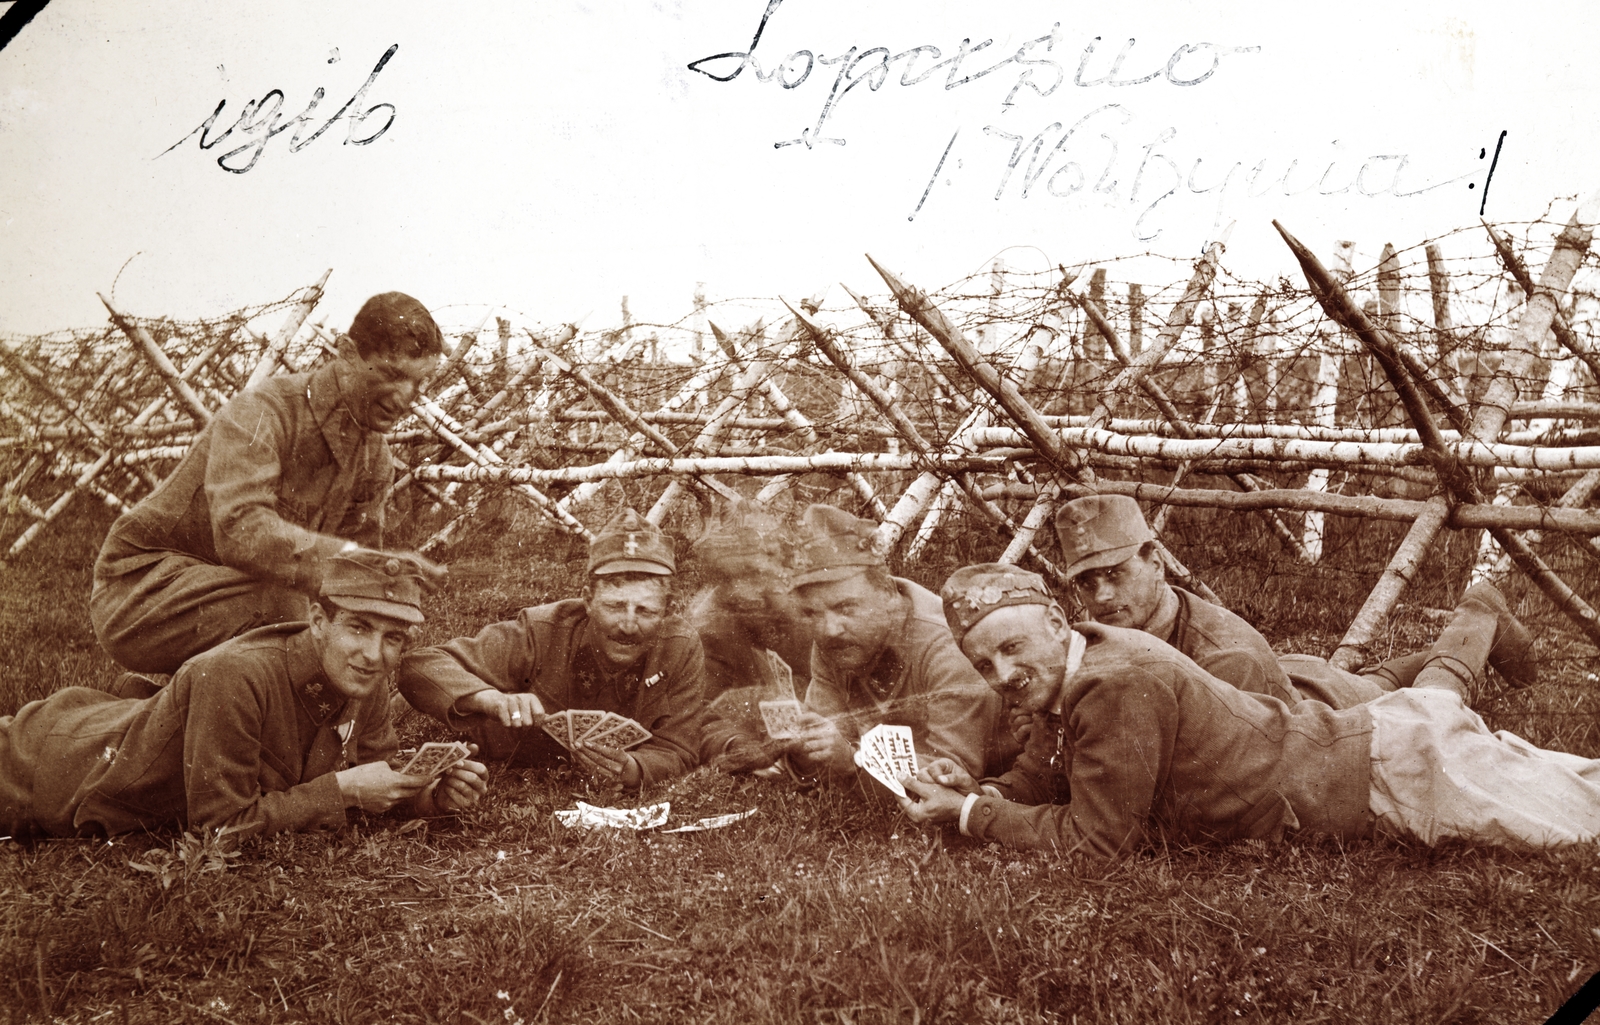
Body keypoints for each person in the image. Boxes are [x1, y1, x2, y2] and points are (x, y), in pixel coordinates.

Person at [898, 563, 1599, 857]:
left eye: (1012, 647)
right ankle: (1468, 628)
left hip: (1395, 767)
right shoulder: (1077, 663)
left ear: (1056, 621)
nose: (1004, 674)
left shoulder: (1113, 682)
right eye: (985, 663)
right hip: (1372, 745)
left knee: (1583, 817)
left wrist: (969, 816)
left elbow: (1097, 842)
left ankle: (1477, 612)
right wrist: (988, 789)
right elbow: (1048, 769)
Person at [0, 551, 488, 839]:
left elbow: (376, 773)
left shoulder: (367, 675)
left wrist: (426, 796)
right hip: (43, 771)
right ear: (318, 622)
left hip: (104, 728)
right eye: (358, 627)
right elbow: (218, 827)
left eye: (393, 637)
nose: (374, 653)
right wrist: (342, 791)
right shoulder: (235, 677)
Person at [90, 291, 449, 675]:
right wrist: (363, 564)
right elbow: (241, 530)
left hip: (235, 595)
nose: (405, 396)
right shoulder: (264, 410)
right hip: (142, 593)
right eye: (393, 374)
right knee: (292, 611)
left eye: (418, 382)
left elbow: (351, 587)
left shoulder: (374, 458)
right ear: (346, 353)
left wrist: (383, 593)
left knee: (353, 632)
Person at [1053, 495, 1537, 708]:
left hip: (1324, 714)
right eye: (1087, 583)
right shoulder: (1111, 629)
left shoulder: (1221, 654)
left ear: (1156, 563)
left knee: (1428, 705)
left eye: (1115, 575)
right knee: (1374, 682)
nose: (1102, 597)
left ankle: (1479, 613)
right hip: (1299, 675)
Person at [397, 508, 706, 788]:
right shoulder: (542, 628)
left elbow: (678, 748)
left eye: (645, 611)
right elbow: (419, 664)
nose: (627, 625)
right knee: (395, 708)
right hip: (499, 751)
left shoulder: (681, 647)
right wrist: (489, 699)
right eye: (614, 606)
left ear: (668, 609)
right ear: (587, 599)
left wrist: (634, 769)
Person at [785, 504, 1015, 783]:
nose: (829, 630)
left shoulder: (948, 648)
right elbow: (828, 743)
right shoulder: (837, 641)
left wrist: (854, 761)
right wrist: (802, 748)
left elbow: (952, 773)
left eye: (846, 608)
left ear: (886, 591)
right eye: (811, 613)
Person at [684, 501, 812, 773]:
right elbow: (698, 717)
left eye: (754, 574)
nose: (744, 593)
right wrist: (736, 744)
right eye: (728, 579)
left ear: (781, 566)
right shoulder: (709, 630)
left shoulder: (811, 609)